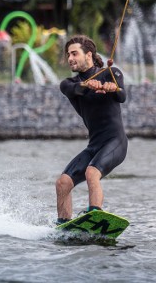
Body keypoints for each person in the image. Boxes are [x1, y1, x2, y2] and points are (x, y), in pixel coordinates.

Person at [55, 35, 128, 225]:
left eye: (74, 53)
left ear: (88, 55)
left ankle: (95, 215)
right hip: (94, 145)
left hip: (115, 142)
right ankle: (64, 224)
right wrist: (89, 85)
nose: (70, 58)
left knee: (91, 173)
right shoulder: (68, 84)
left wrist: (112, 88)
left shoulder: (111, 73)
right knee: (63, 183)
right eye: (68, 54)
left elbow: (122, 96)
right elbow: (76, 90)